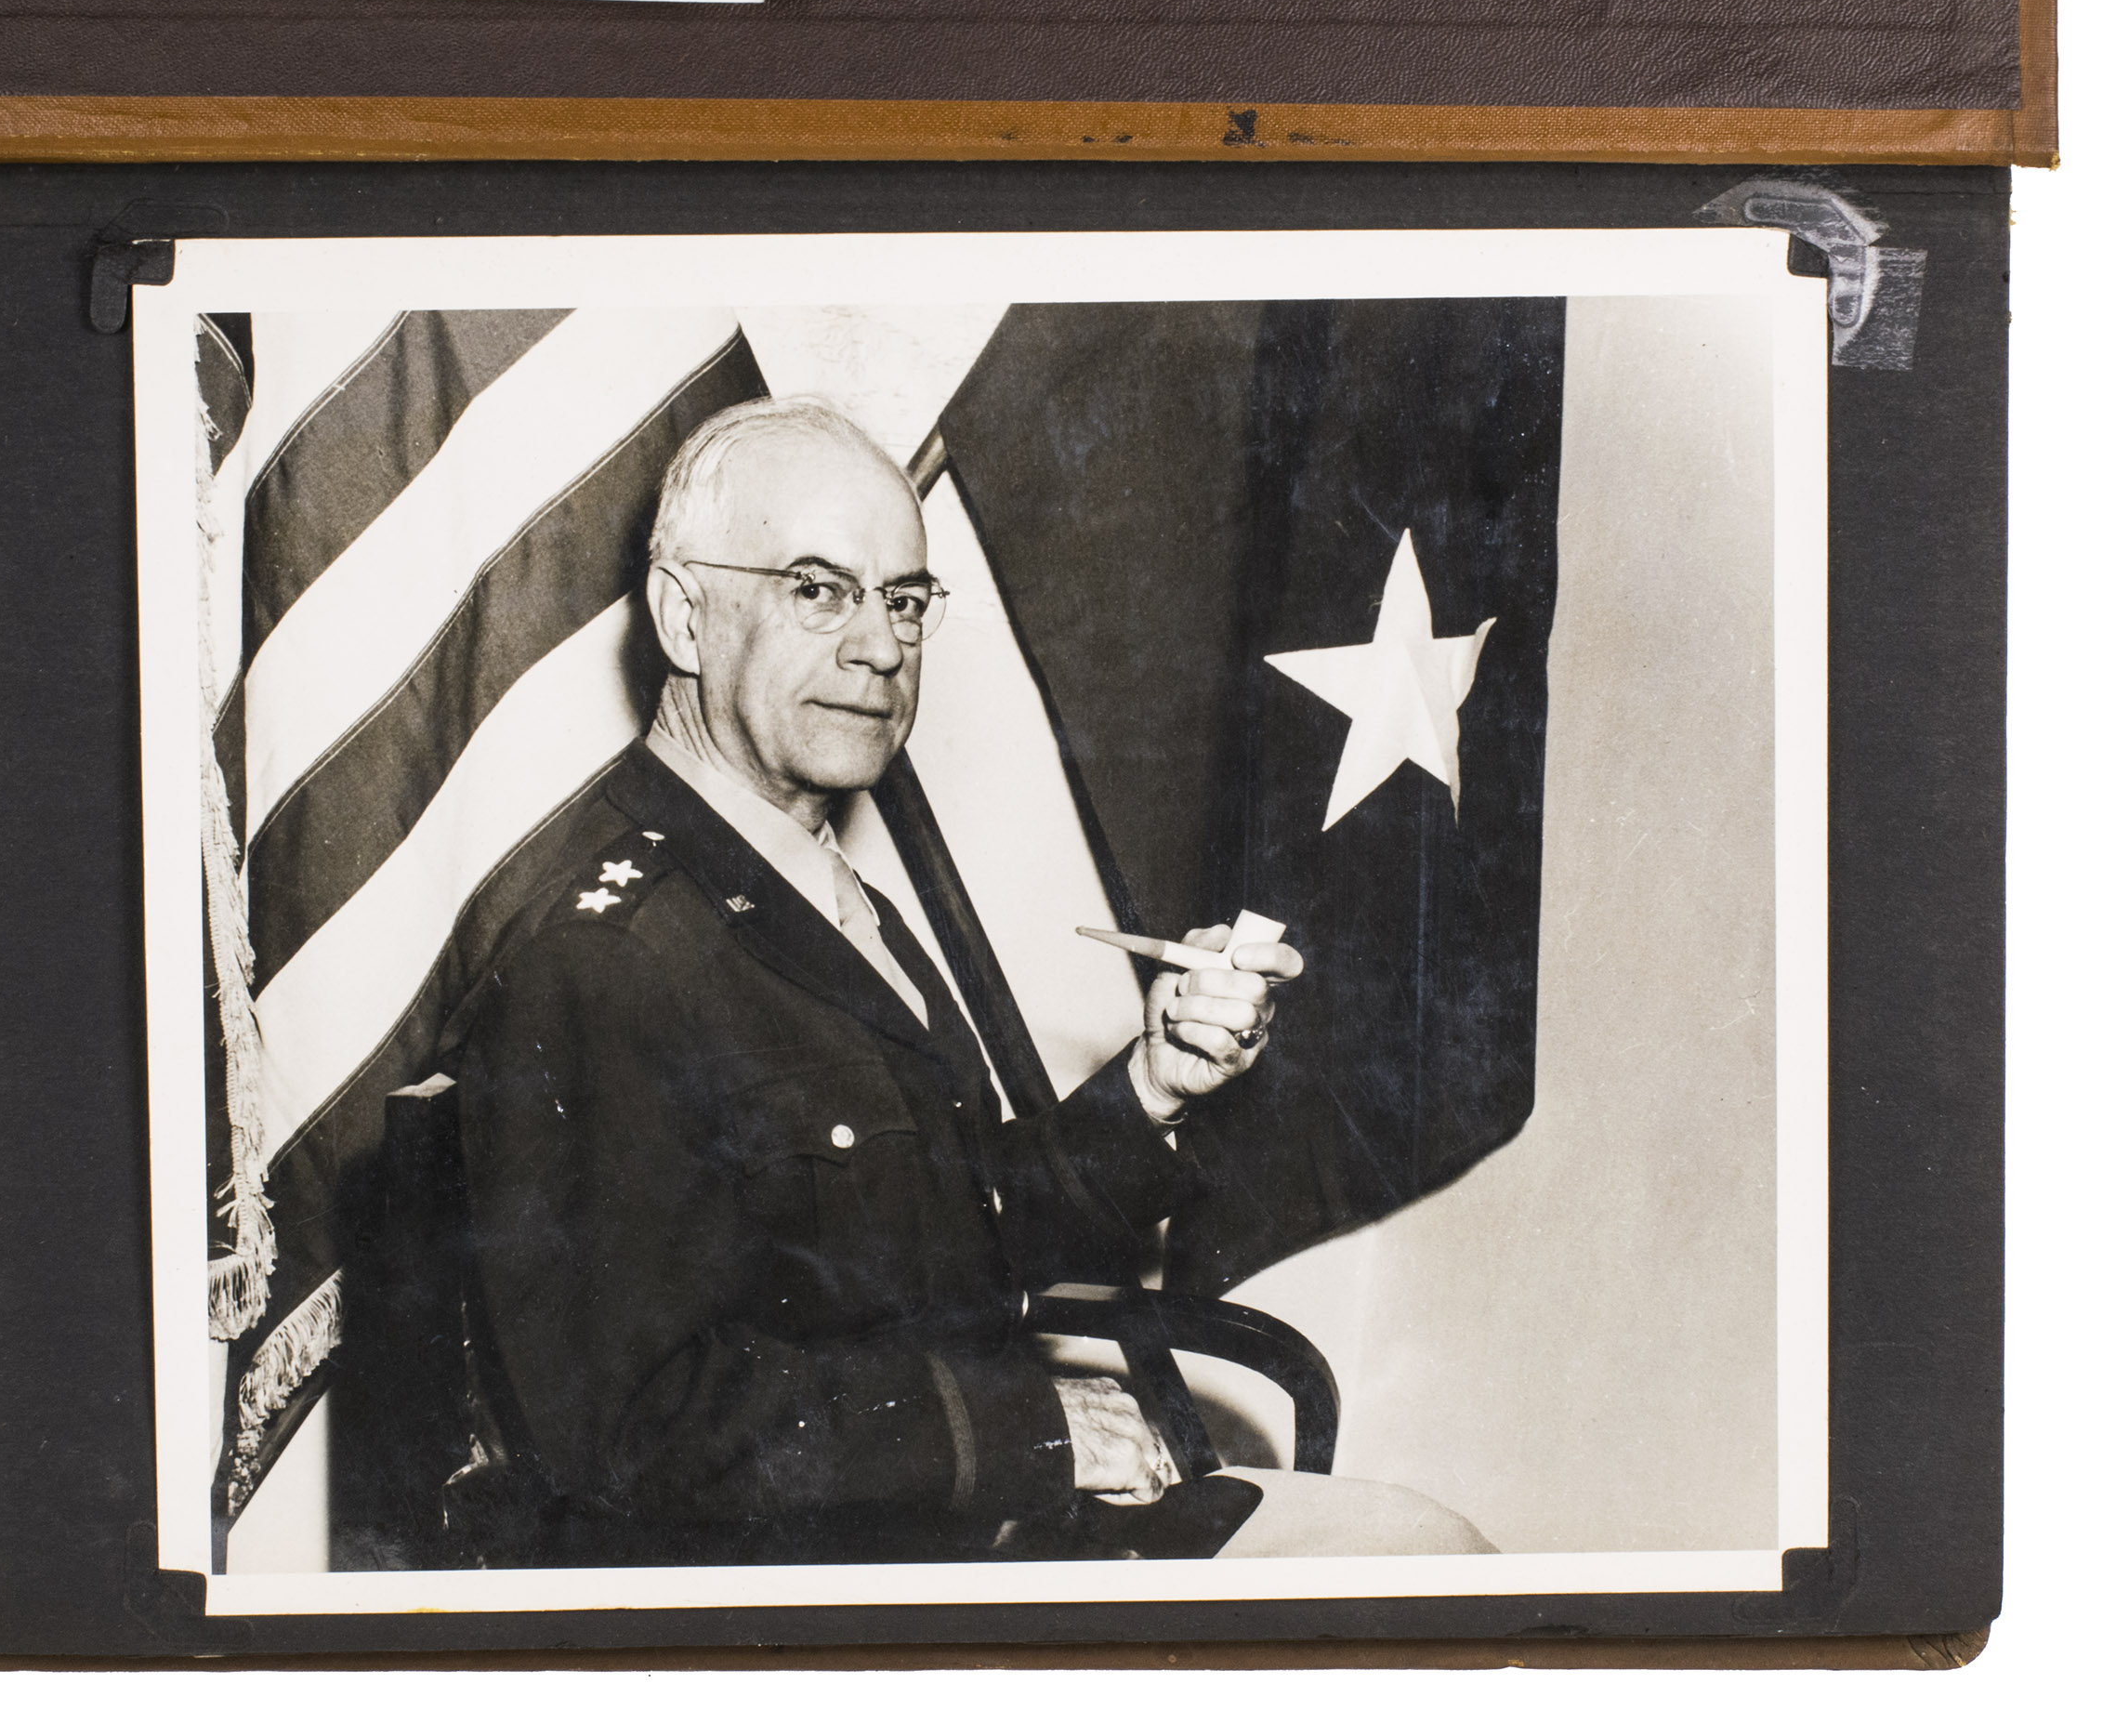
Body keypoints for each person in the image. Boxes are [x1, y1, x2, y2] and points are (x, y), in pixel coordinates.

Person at [447, 395, 1482, 1565]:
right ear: (686, 615)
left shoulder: (805, 891)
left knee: (1421, 1550)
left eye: (902, 600)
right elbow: (630, 1429)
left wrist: (1153, 1082)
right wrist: (1027, 1430)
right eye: (817, 589)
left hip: (945, 1521)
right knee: (1419, 1570)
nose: (880, 648)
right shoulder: (603, 959)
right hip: (819, 1594)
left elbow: (948, 1233)